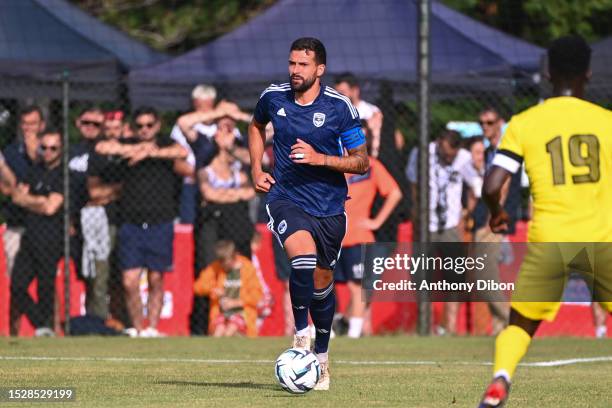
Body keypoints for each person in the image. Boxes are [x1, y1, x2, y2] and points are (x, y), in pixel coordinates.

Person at [478, 35, 612, 407]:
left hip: (550, 239)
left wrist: (496, 212)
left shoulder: (526, 122)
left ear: (549, 72)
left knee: (520, 326)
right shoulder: (607, 122)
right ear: (588, 72)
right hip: (602, 239)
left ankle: (500, 379)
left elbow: (492, 184)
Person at [248, 37, 369, 390]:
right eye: (292, 63)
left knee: (321, 285)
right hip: (285, 197)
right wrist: (257, 168)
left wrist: (321, 159)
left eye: (302, 65)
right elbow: (256, 126)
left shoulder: (339, 107)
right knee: (301, 258)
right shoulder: (273, 97)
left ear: (320, 69)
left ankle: (322, 357)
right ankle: (300, 336)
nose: (295, 71)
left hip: (330, 207)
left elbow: (361, 161)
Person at [96, 107, 188, 337]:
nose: (145, 129)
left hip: (160, 221)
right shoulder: (127, 142)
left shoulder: (166, 143)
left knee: (156, 277)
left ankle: (153, 328)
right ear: (133, 127)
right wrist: (136, 148)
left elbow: (182, 152)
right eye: (140, 126)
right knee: (129, 280)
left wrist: (150, 153)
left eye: (149, 125)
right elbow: (103, 147)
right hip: (131, 222)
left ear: (157, 126)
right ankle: (138, 328)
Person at [334, 122, 402, 338]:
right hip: (331, 236)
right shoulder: (333, 163)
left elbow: (394, 193)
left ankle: (354, 334)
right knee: (323, 282)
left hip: (358, 237)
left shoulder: (371, 167)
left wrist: (376, 222)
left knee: (358, 286)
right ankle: (328, 329)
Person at [406, 130, 478, 335]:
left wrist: (466, 213)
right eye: (445, 154)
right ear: (438, 144)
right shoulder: (421, 153)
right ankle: (425, 327)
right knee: (421, 276)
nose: (449, 158)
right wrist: (417, 211)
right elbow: (413, 183)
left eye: (451, 156)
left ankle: (450, 327)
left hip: (450, 226)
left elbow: (476, 186)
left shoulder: (464, 158)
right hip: (426, 224)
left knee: (455, 277)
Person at [9, 129, 64, 337]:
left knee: (45, 286)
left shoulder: (63, 175)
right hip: (30, 236)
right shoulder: (34, 171)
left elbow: (51, 208)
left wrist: (29, 201)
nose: (48, 152)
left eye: (53, 148)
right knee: (17, 286)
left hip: (50, 238)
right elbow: (17, 197)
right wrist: (38, 202)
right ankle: (41, 324)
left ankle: (46, 327)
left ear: (61, 150)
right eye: (44, 147)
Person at [2, 105, 44, 335]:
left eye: (33, 124)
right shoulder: (9, 152)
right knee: (17, 284)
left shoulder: (49, 152)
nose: (29, 129)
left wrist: (34, 154)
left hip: (44, 226)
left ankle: (51, 329)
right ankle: (15, 332)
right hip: (17, 225)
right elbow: (8, 186)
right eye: (25, 124)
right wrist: (15, 190)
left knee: (47, 281)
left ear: (42, 126)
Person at [197, 116, 255, 266]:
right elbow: (208, 194)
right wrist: (236, 194)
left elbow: (250, 192)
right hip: (214, 227)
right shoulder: (205, 172)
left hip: (236, 225)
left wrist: (222, 194)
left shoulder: (238, 174)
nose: (235, 153)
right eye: (231, 148)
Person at [193, 240, 263, 337]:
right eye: (220, 262)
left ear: (234, 257)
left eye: (225, 262)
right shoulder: (216, 267)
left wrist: (236, 303)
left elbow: (257, 295)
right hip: (221, 314)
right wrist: (213, 289)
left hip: (242, 314)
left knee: (232, 327)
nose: (222, 265)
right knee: (219, 329)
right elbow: (197, 287)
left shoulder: (247, 268)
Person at [334, 72, 384, 157]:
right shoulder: (334, 111)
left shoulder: (371, 111)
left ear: (355, 91)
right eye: (336, 93)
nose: (339, 97)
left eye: (342, 92)